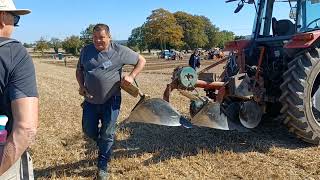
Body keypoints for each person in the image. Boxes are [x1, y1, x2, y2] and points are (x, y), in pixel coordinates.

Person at [76, 23, 146, 180]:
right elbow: (79, 70)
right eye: (94, 37)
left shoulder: (119, 51)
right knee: (88, 130)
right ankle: (104, 143)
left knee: (108, 133)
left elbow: (141, 60)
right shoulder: (86, 51)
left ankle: (102, 167)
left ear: (109, 37)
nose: (98, 41)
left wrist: (131, 76)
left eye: (101, 37)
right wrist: (81, 86)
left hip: (111, 100)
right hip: (90, 101)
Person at [0, 0, 38, 179]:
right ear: (2, 18)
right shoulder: (15, 54)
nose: (15, 25)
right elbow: (26, 127)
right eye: (15, 19)